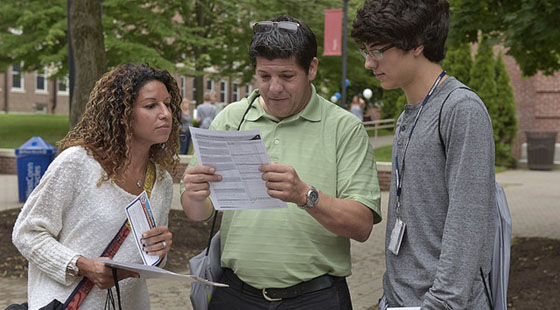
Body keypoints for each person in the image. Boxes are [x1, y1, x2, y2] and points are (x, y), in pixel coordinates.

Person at [181, 14, 381, 310]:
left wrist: (306, 196)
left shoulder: (343, 128)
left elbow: (362, 226)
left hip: (316, 297)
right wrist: (194, 195)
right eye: (264, 76)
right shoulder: (231, 119)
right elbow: (198, 213)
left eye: (287, 76)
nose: (274, 88)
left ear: (311, 68)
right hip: (234, 293)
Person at [352, 1, 496, 309]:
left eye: (377, 50)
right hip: (397, 300)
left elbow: (467, 223)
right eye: (365, 51)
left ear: (417, 44)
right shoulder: (409, 116)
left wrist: (440, 303)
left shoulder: (461, 109)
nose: (369, 63)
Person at [12, 63, 182, 310]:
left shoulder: (162, 181)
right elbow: (27, 233)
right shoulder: (78, 163)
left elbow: (149, 262)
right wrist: (82, 264)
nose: (165, 113)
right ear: (122, 115)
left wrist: (160, 252)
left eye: (168, 104)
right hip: (67, 304)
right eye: (150, 105)